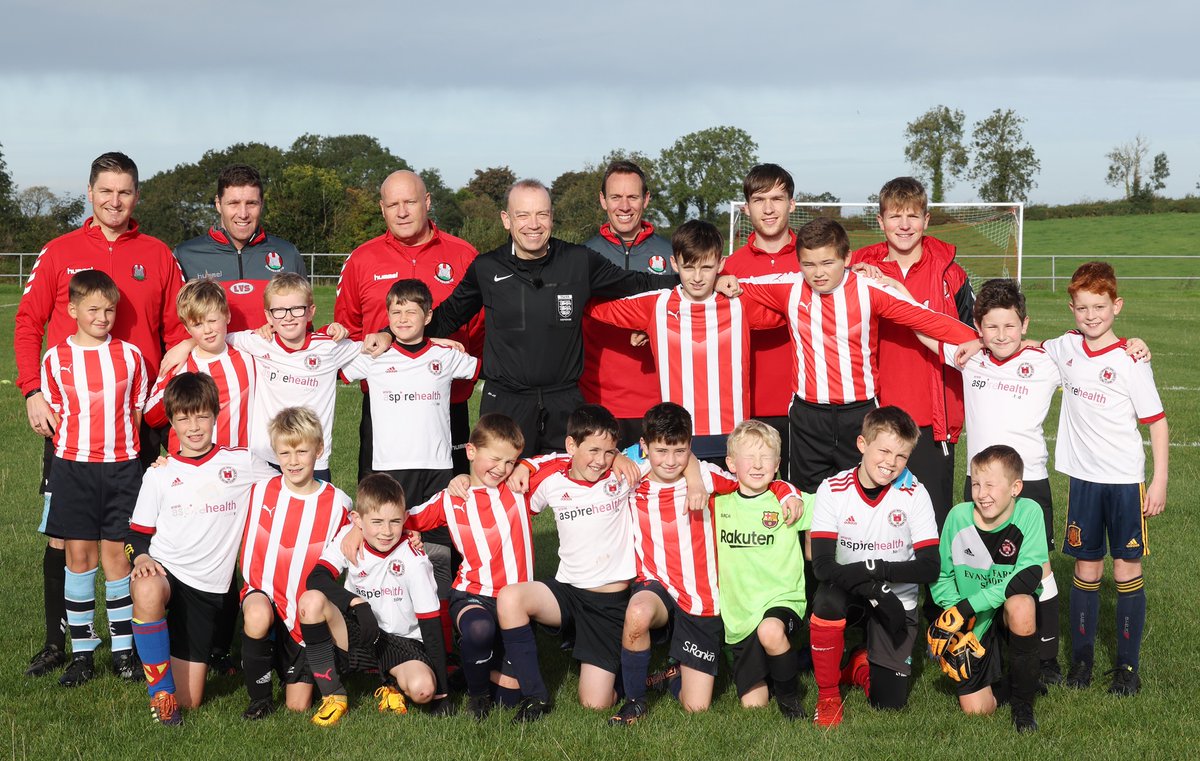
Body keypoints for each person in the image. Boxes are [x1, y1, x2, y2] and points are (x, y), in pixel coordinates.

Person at [16, 151, 186, 678]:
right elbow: (28, 320)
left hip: (139, 420)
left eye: (126, 192)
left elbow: (178, 327)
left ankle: (134, 641)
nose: (115, 201)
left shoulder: (157, 253)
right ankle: (58, 643)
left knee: (133, 536)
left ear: (137, 196)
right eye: (106, 191)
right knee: (65, 538)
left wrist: (168, 383)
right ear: (90, 192)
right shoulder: (60, 250)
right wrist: (31, 390)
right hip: (72, 425)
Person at [427, 179, 682, 456]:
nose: (533, 224)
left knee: (574, 492)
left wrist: (696, 280)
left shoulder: (579, 261)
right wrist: (392, 335)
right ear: (506, 220)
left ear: (552, 217)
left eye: (542, 214)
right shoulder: (487, 268)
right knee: (504, 492)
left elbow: (637, 284)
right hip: (506, 402)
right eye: (522, 215)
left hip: (566, 404)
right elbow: (446, 317)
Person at [736, 217, 979, 495]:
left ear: (847, 258)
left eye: (827, 263)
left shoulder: (869, 289)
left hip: (860, 414)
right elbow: (731, 287)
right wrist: (725, 282)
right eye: (808, 264)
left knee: (862, 501)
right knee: (808, 505)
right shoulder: (787, 287)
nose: (818, 273)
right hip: (808, 417)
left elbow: (927, 319)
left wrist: (980, 341)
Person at [610, 403, 800, 726]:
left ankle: (673, 674)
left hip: (701, 597)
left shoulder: (708, 478)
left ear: (691, 447)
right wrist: (615, 456)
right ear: (644, 447)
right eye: (661, 451)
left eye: (680, 451)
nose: (670, 461)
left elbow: (755, 485)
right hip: (655, 585)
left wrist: (786, 492)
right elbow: (584, 462)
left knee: (696, 707)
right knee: (637, 613)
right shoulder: (631, 477)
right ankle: (635, 702)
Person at [1042, 262, 1167, 696]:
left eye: (1099, 306)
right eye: (1081, 308)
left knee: (1125, 566)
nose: (1091, 315)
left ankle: (1127, 669)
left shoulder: (1131, 359)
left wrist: (1159, 480)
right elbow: (1023, 345)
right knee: (1087, 566)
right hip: (1084, 480)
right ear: (1071, 309)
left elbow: (1157, 422)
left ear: (1117, 305)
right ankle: (1081, 663)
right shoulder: (1065, 347)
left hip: (1125, 481)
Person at [340, 278, 479, 660]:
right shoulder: (373, 355)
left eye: (412, 311)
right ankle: (382, 644)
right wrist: (362, 338)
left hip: (436, 472)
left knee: (435, 558)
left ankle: (444, 648)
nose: (403, 318)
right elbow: (333, 364)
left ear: (429, 315)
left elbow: (479, 367)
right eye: (395, 311)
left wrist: (453, 345)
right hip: (388, 473)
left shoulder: (445, 356)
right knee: (384, 553)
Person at [126, 373, 274, 725]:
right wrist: (143, 557)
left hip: (206, 591)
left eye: (201, 416)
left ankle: (167, 673)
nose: (193, 427)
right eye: (183, 418)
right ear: (172, 422)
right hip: (166, 574)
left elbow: (292, 482)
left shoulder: (241, 463)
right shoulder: (159, 475)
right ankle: (160, 697)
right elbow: (136, 536)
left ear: (216, 414)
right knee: (146, 587)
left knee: (191, 700)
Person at [587, 220, 783, 461]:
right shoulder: (656, 305)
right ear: (674, 264)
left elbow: (790, 302)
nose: (698, 277)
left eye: (707, 268)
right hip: (676, 439)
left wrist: (733, 282)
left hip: (733, 436)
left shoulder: (739, 303)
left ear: (721, 265)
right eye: (689, 268)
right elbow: (593, 307)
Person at [496, 405, 642, 722]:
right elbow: (501, 496)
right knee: (511, 597)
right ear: (571, 446)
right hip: (567, 593)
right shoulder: (552, 479)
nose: (600, 460)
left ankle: (617, 665)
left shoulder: (623, 472)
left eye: (608, 451)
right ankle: (535, 697)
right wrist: (519, 467)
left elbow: (678, 457)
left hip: (607, 603)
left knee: (595, 704)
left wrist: (619, 456)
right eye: (593, 450)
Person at [335, 169, 483, 481]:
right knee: (381, 510)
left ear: (427, 202)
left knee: (448, 507)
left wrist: (456, 379)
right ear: (382, 208)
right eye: (393, 205)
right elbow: (347, 330)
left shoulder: (464, 255)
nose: (402, 212)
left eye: (410, 202)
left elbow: (480, 330)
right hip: (382, 405)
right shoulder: (362, 259)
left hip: (445, 404)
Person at [40, 270, 149, 687]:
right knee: (78, 559)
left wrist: (125, 457)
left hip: (122, 469)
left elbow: (135, 412)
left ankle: (124, 651)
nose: (102, 317)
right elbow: (54, 417)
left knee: (118, 560)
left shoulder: (130, 356)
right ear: (72, 311)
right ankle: (83, 654)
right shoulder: (56, 359)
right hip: (73, 469)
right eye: (93, 310)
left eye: (109, 310)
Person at [850, 177, 975, 526]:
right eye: (894, 216)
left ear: (927, 220)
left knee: (931, 522)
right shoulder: (858, 271)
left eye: (912, 216)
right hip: (875, 412)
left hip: (934, 418)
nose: (904, 225)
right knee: (875, 521)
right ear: (880, 222)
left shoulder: (951, 273)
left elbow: (975, 338)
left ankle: (935, 583)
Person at [808, 406, 940, 727]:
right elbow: (823, 566)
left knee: (888, 704)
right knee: (826, 600)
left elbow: (929, 568)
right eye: (884, 451)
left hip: (899, 602)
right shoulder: (833, 489)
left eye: (901, 456)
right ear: (862, 444)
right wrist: (875, 588)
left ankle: (858, 664)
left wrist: (875, 570)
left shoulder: (914, 494)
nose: (891, 463)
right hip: (852, 592)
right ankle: (828, 696)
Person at [403, 414, 528, 720]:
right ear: (471, 452)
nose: (501, 469)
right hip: (472, 595)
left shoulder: (519, 488)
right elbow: (402, 516)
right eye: (495, 459)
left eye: (511, 462)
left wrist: (528, 466)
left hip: (518, 602)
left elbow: (564, 461)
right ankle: (477, 696)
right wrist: (407, 530)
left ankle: (469, 669)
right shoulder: (451, 497)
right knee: (479, 629)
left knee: (510, 699)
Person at [300, 473, 451, 727]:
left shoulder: (414, 559)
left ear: (405, 518)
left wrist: (442, 693)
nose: (386, 531)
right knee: (311, 601)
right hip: (358, 631)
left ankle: (392, 684)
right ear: (357, 520)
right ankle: (334, 695)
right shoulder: (348, 539)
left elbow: (430, 623)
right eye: (377, 522)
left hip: (403, 643)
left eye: (394, 522)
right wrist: (355, 603)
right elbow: (316, 578)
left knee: (423, 690)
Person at [238, 407, 351, 720]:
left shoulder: (338, 502)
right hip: (262, 591)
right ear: (275, 452)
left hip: (302, 612)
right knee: (258, 615)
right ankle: (259, 699)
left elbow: (360, 532)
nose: (293, 460)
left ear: (319, 450)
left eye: (302, 451)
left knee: (298, 705)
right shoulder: (259, 489)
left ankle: (298, 663)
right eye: (284, 452)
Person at [929, 445, 1049, 733]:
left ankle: (1023, 705)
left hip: (1001, 609)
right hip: (973, 619)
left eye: (991, 485)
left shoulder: (1030, 513)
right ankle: (1021, 678)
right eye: (976, 484)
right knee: (977, 710)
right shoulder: (958, 517)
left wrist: (966, 608)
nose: (982, 494)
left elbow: (1028, 576)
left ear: (1015, 487)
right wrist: (959, 619)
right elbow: (941, 575)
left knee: (1021, 605)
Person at [714, 419, 813, 719]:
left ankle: (790, 700)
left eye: (766, 457)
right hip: (740, 614)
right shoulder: (718, 505)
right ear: (731, 463)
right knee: (753, 705)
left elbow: (835, 505)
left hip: (782, 600)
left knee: (770, 631)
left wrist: (791, 493)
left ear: (778, 463)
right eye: (749, 457)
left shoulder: (789, 503)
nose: (758, 465)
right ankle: (777, 666)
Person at [580, 160, 673, 447]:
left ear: (646, 200)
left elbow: (689, 312)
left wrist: (653, 326)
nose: (624, 206)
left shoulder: (671, 253)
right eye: (615, 197)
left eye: (632, 197)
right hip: (596, 400)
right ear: (602, 200)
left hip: (657, 400)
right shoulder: (583, 255)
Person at [721, 164, 802, 477]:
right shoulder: (729, 268)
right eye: (759, 200)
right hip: (747, 406)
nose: (769, 209)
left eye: (777, 199)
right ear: (746, 207)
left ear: (792, 204)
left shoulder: (814, 260)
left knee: (802, 507)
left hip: (806, 404)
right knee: (754, 508)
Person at [172, 164, 306, 331]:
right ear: (218, 204)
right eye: (233, 203)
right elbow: (175, 327)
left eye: (251, 203)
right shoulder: (185, 256)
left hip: (272, 358)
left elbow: (305, 324)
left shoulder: (287, 253)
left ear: (262, 204)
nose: (243, 213)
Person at [144, 278, 256, 452]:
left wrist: (188, 343)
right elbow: (151, 417)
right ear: (187, 329)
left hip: (236, 467)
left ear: (227, 315)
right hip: (187, 468)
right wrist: (173, 385)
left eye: (212, 321)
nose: (207, 330)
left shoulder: (249, 357)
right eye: (197, 324)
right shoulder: (178, 364)